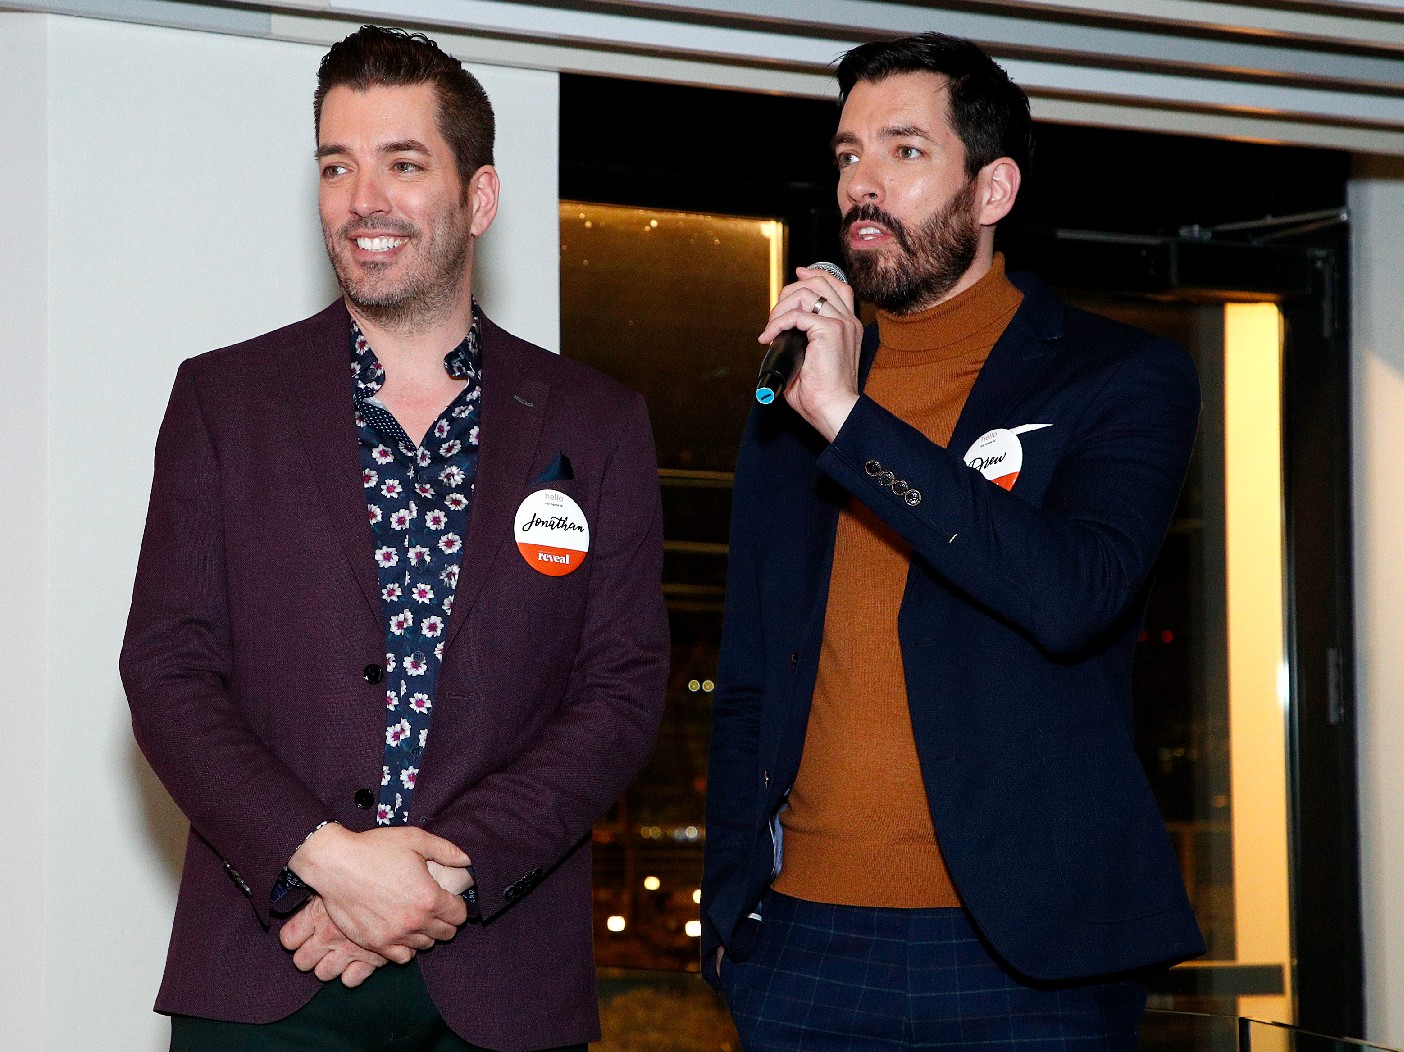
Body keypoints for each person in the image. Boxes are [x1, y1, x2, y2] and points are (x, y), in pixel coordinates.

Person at [121, 25, 668, 1052]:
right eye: (338, 164)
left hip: (501, 976)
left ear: (480, 197)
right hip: (268, 960)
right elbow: (166, 667)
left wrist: (438, 873)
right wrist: (326, 858)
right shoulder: (223, 400)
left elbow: (623, 688)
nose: (361, 198)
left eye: (402, 163)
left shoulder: (594, 424)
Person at [701, 32, 1205, 1051]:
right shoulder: (793, 397)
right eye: (847, 156)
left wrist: (853, 420)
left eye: (905, 151)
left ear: (993, 188)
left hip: (1021, 957)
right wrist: (729, 918)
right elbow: (751, 668)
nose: (863, 186)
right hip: (800, 944)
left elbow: (1071, 594)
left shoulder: (1119, 377)